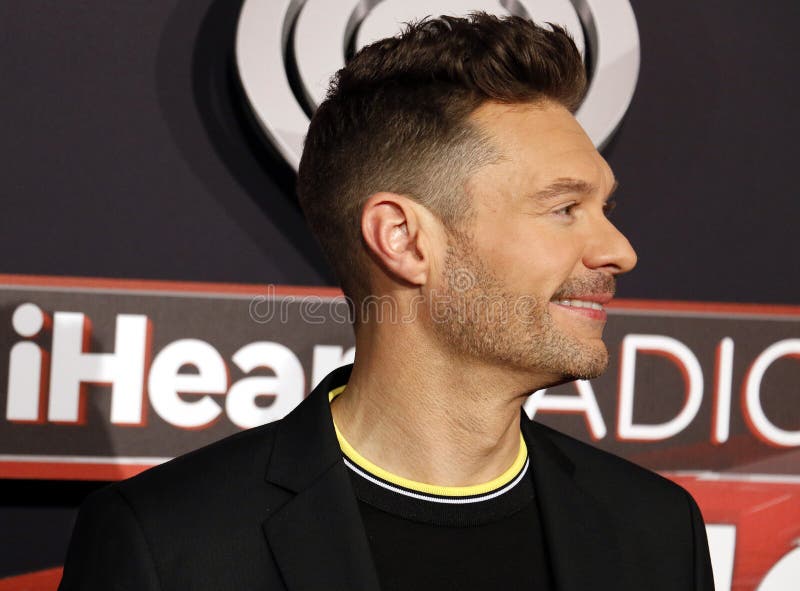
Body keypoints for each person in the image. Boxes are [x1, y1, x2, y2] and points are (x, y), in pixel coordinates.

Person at [59, 13, 714, 591]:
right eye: (565, 207)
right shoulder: (173, 545)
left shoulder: (655, 530)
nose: (619, 250)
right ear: (402, 238)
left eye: (606, 207)